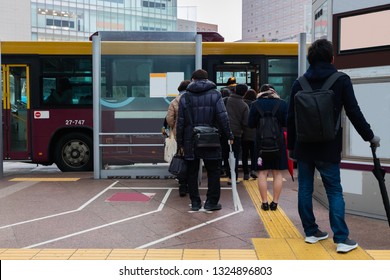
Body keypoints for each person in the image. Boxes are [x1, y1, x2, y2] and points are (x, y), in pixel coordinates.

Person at [286, 38, 381, 253]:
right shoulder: (341, 80)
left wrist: (291, 147)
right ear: (331, 58)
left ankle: (311, 232)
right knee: (334, 191)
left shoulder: (299, 82)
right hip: (328, 147)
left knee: (305, 189)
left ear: (310, 59)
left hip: (304, 147)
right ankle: (341, 238)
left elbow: (290, 117)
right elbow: (354, 112)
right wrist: (370, 137)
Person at [176, 69, 233, 211]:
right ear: (207, 79)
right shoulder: (216, 95)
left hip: (191, 139)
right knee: (213, 171)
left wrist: (180, 142)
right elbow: (223, 117)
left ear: (193, 79)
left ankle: (195, 203)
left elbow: (180, 122)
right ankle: (211, 202)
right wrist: (229, 135)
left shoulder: (185, 97)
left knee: (192, 172)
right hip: (211, 138)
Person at [248, 84, 288, 211]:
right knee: (277, 173)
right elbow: (286, 122)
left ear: (260, 92)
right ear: (273, 91)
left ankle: (264, 203)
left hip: (261, 143)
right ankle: (275, 203)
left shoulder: (255, 104)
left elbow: (250, 124)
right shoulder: (282, 104)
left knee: (262, 173)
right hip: (278, 143)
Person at [166, 80, 191, 197]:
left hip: (178, 135)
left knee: (181, 158)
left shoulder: (174, 102)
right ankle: (192, 185)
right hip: (192, 135)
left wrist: (175, 126)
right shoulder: (193, 100)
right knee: (191, 159)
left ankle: (182, 186)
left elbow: (169, 120)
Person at [224, 83, 249, 184]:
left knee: (225, 154)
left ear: (234, 90)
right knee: (234, 154)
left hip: (224, 132)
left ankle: (228, 174)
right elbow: (246, 122)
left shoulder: (225, 100)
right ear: (245, 93)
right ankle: (233, 177)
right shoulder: (244, 105)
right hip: (236, 133)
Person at [241, 88, 258, 180]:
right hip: (254, 133)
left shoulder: (242, 103)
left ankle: (245, 173)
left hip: (244, 133)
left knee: (244, 154)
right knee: (254, 153)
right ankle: (253, 170)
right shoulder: (256, 105)